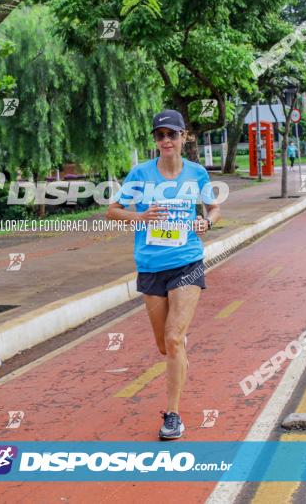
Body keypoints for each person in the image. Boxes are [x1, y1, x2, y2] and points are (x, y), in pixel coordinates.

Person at [106, 109, 221, 440]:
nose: (166, 140)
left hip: (187, 262)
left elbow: (212, 207)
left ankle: (173, 415)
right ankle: (178, 350)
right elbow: (112, 212)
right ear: (155, 140)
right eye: (160, 135)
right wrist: (140, 217)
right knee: (165, 345)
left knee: (172, 339)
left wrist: (207, 222)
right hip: (151, 266)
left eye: (172, 134)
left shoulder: (197, 174)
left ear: (184, 137)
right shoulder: (141, 174)